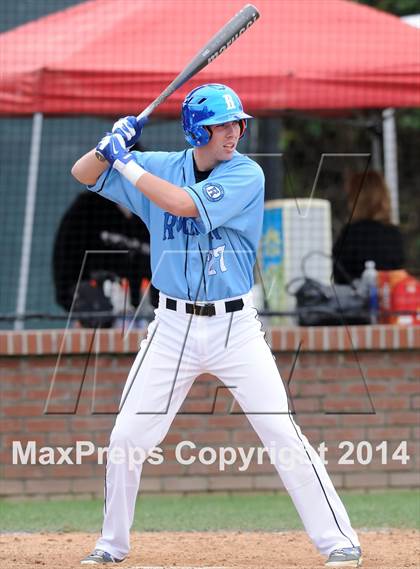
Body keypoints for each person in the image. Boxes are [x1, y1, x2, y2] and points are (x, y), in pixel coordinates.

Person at [72, 84, 362, 567]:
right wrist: (105, 147)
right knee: (127, 438)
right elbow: (82, 173)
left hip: (235, 328)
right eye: (221, 125)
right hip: (171, 327)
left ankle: (339, 541)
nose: (233, 132)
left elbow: (183, 204)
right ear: (195, 130)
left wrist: (124, 162)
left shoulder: (246, 173)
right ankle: (111, 545)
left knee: (281, 432)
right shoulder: (161, 165)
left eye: (237, 123)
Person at [53, 189, 158, 325]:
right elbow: (64, 260)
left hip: (147, 316)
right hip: (97, 315)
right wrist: (76, 300)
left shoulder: (154, 212)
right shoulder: (88, 207)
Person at [333, 170, 405, 284]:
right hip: (389, 296)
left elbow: (339, 274)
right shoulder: (394, 234)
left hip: (354, 298)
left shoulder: (350, 234)